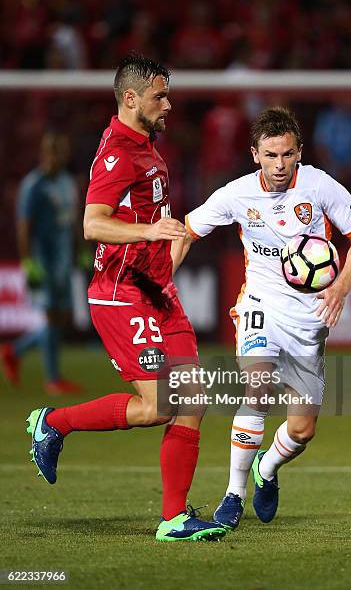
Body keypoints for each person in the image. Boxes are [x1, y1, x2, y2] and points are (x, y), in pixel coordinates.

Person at [25, 54, 226, 543]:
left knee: (194, 399)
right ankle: (53, 422)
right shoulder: (118, 152)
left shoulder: (146, 147)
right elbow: (93, 223)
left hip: (159, 290)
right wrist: (150, 230)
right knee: (159, 406)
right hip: (121, 293)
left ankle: (174, 520)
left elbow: (146, 220)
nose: (169, 104)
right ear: (131, 98)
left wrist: (168, 247)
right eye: (160, 96)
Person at [173, 106, 351, 530]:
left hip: (310, 317)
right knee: (259, 387)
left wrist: (338, 287)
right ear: (254, 154)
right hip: (259, 305)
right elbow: (188, 232)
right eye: (270, 155)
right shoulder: (237, 194)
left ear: (299, 152)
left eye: (286, 155)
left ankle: (267, 468)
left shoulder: (319, 185)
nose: (279, 165)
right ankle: (233, 493)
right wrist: (162, 284)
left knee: (301, 430)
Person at [0, 133, 83, 395]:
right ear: (44, 153)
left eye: (60, 151)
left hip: (62, 261)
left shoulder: (68, 183)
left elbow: (74, 222)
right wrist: (28, 263)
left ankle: (14, 351)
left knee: (61, 318)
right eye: (51, 151)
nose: (55, 156)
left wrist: (81, 251)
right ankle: (53, 379)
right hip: (42, 260)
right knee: (49, 316)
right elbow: (24, 227)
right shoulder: (33, 185)